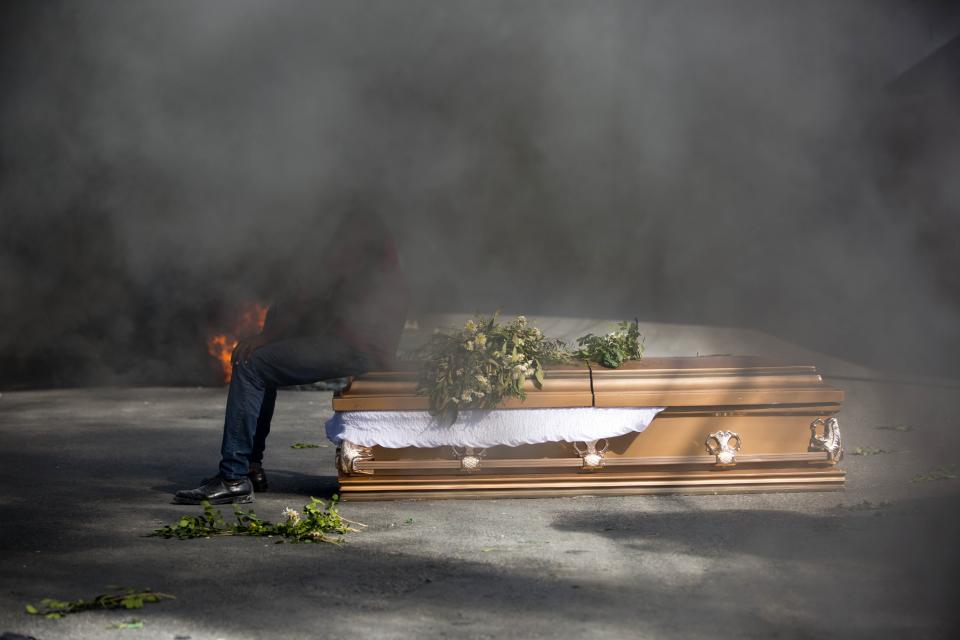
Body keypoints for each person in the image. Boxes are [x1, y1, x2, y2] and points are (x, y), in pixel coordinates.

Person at [174, 207, 407, 504]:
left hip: (356, 346)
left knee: (251, 363)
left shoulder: (357, 224)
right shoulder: (376, 230)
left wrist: (268, 336)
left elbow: (314, 289)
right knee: (264, 363)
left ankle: (234, 476)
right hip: (370, 346)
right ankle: (250, 468)